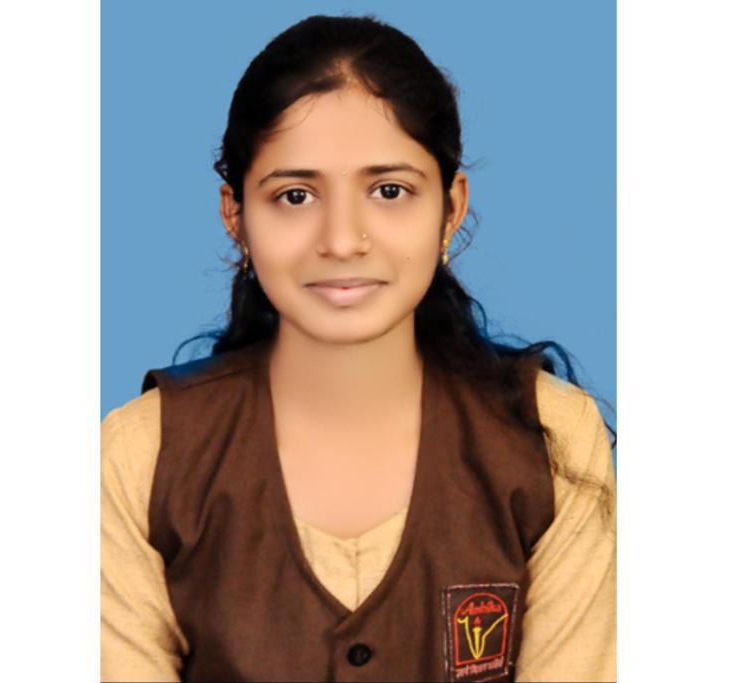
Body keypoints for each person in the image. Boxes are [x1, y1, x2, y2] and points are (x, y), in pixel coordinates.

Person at [102, 14, 615, 683]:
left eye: (389, 191)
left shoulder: (553, 440)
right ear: (235, 215)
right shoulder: (138, 455)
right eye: (294, 195)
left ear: (451, 208)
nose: (342, 240)